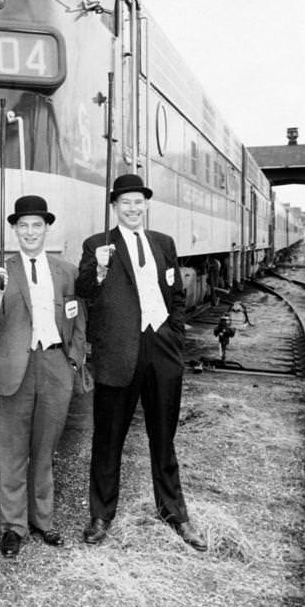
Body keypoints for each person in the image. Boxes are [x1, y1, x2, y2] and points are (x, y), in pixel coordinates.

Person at [76, 174, 207, 551]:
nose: (133, 209)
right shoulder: (97, 244)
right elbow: (84, 291)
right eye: (125, 203)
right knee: (108, 438)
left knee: (163, 436)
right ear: (114, 207)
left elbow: (176, 295)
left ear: (145, 204)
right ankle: (101, 515)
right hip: (118, 353)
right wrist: (97, 269)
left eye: (138, 202)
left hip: (161, 348)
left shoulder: (163, 243)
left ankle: (174, 513)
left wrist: (174, 337)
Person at [0, 195, 85, 557]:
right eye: (22, 225)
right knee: (12, 454)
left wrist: (73, 360)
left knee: (44, 451)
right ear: (14, 230)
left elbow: (79, 321)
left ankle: (44, 521)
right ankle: (13, 527)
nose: (29, 232)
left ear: (46, 228)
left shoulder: (66, 272)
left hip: (55, 367)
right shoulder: (0, 272)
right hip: (13, 372)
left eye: (36, 225)